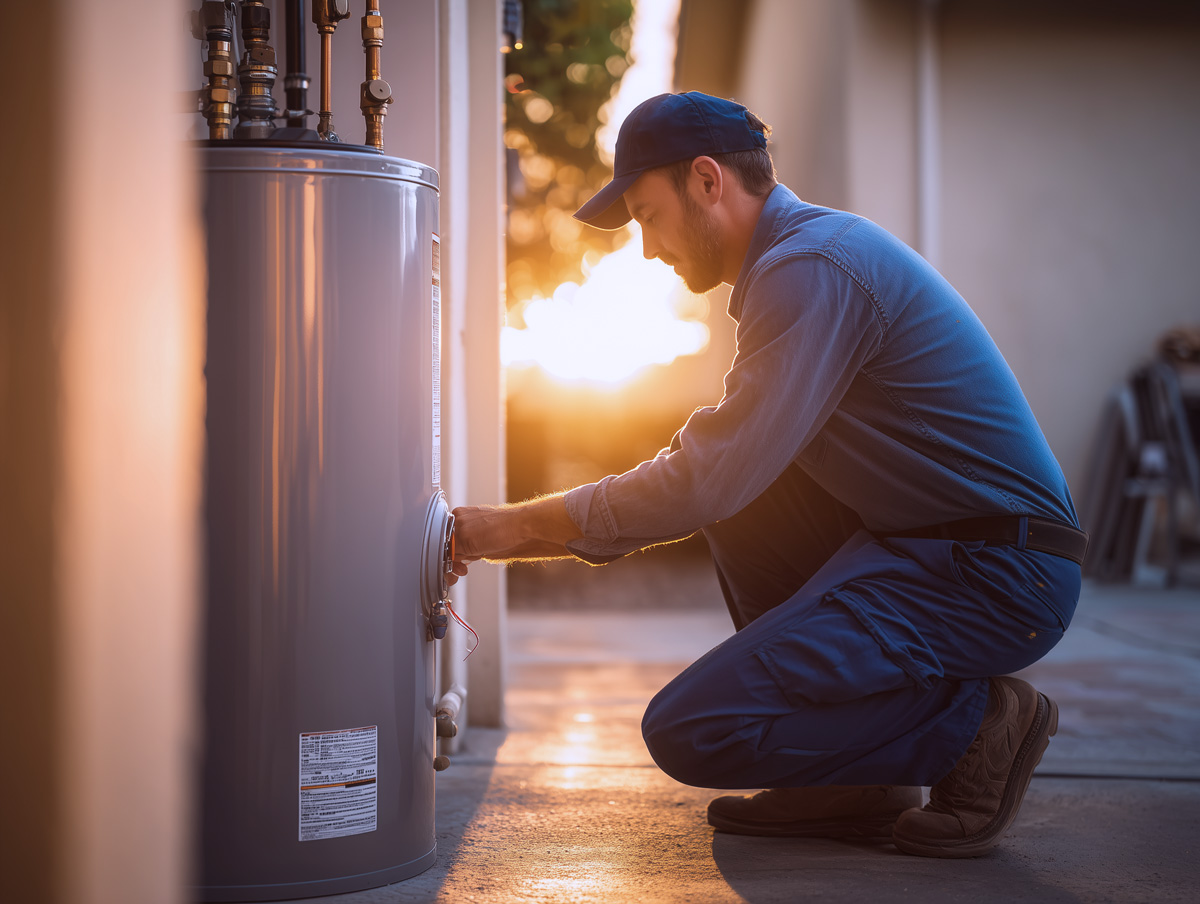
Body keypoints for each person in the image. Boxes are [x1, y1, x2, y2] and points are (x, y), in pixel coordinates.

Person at [448, 91, 1086, 858]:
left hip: (998, 573)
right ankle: (854, 785)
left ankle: (980, 727)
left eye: (648, 215)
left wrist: (507, 527)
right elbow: (726, 476)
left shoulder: (810, 270)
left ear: (709, 182)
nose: (647, 248)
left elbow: (700, 479)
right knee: (752, 490)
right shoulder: (799, 265)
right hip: (928, 549)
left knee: (693, 729)